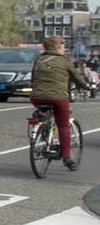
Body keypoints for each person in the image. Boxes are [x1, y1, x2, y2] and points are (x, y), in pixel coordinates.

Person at [30, 36, 90, 169]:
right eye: (63, 46)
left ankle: (42, 124)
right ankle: (67, 158)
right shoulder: (65, 61)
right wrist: (87, 87)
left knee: (44, 110)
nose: (64, 49)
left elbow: (33, 78)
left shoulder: (39, 60)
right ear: (58, 48)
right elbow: (78, 78)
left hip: (37, 98)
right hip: (58, 98)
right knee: (63, 125)